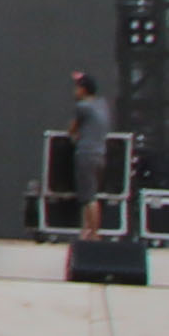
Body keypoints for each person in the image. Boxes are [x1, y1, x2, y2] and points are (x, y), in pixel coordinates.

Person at [62, 69, 118, 235]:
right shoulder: (102, 105)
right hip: (100, 154)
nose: (74, 91)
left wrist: (74, 136)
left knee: (89, 197)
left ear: (84, 89)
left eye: (77, 87)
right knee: (91, 193)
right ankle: (87, 230)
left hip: (86, 153)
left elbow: (71, 129)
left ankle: (93, 233)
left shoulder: (83, 107)